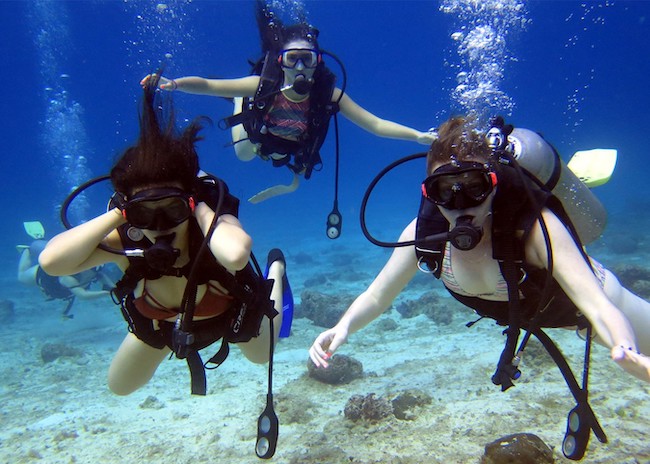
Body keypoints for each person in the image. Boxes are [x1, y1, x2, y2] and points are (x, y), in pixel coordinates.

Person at [310, 117, 650, 392]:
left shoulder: (533, 230)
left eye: (475, 188)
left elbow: (598, 305)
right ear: (429, 193)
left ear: (495, 184)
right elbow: (376, 296)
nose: (461, 206)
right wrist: (343, 327)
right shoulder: (424, 235)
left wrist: (623, 346)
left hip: (602, 304)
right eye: (445, 191)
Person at [38, 75, 288, 402]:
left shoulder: (212, 226)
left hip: (229, 314)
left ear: (189, 204)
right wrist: (121, 213)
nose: (158, 225)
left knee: (262, 356)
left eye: (171, 209)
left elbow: (236, 254)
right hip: (161, 325)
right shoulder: (127, 240)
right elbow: (52, 263)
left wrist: (197, 206)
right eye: (144, 214)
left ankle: (277, 271)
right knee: (120, 386)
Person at [141, 3, 435, 202]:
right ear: (280, 62)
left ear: (317, 63)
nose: (299, 67)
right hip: (260, 135)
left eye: (306, 59)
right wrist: (175, 84)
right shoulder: (263, 84)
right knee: (244, 154)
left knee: (295, 181)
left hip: (293, 148)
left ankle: (286, 183)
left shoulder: (328, 95)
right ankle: (239, 103)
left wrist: (417, 135)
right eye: (291, 59)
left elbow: (376, 124)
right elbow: (208, 85)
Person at [17, 222, 114, 318]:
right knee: (21, 276)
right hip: (43, 274)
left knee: (51, 254)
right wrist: (108, 293)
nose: (94, 270)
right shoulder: (68, 277)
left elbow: (112, 287)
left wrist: (116, 290)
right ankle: (27, 250)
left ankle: (41, 243)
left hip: (59, 275)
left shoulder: (96, 272)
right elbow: (83, 295)